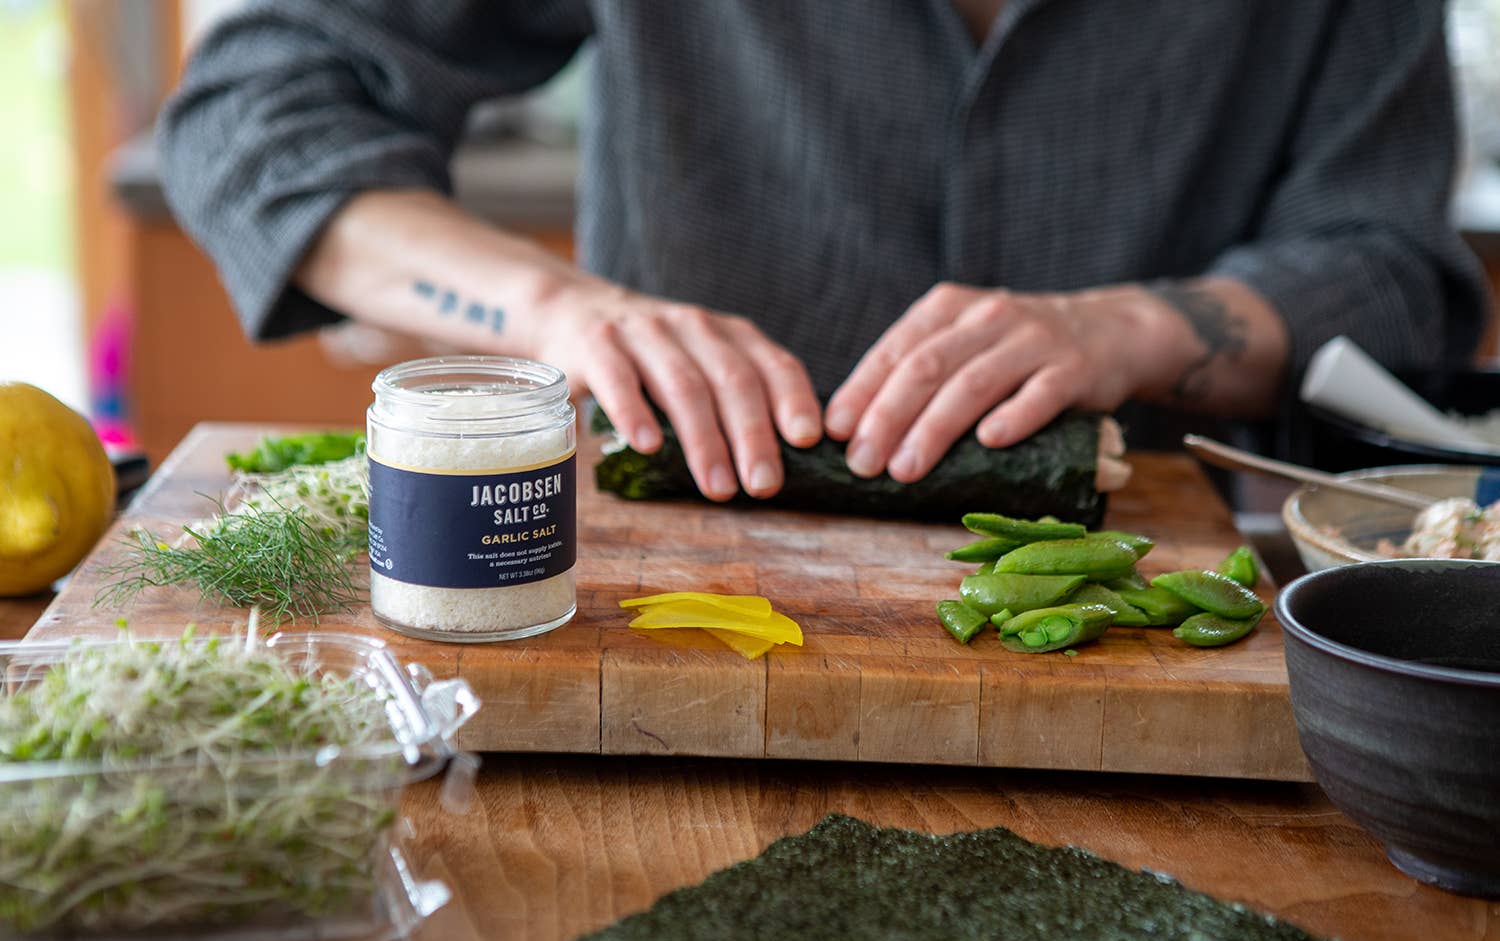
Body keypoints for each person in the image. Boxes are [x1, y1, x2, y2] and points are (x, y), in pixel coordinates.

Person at [157, 2, 1488, 502]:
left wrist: (1139, 328)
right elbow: (255, 107)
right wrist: (552, 307)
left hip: (1152, 602)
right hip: (661, 613)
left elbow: (1398, 279)